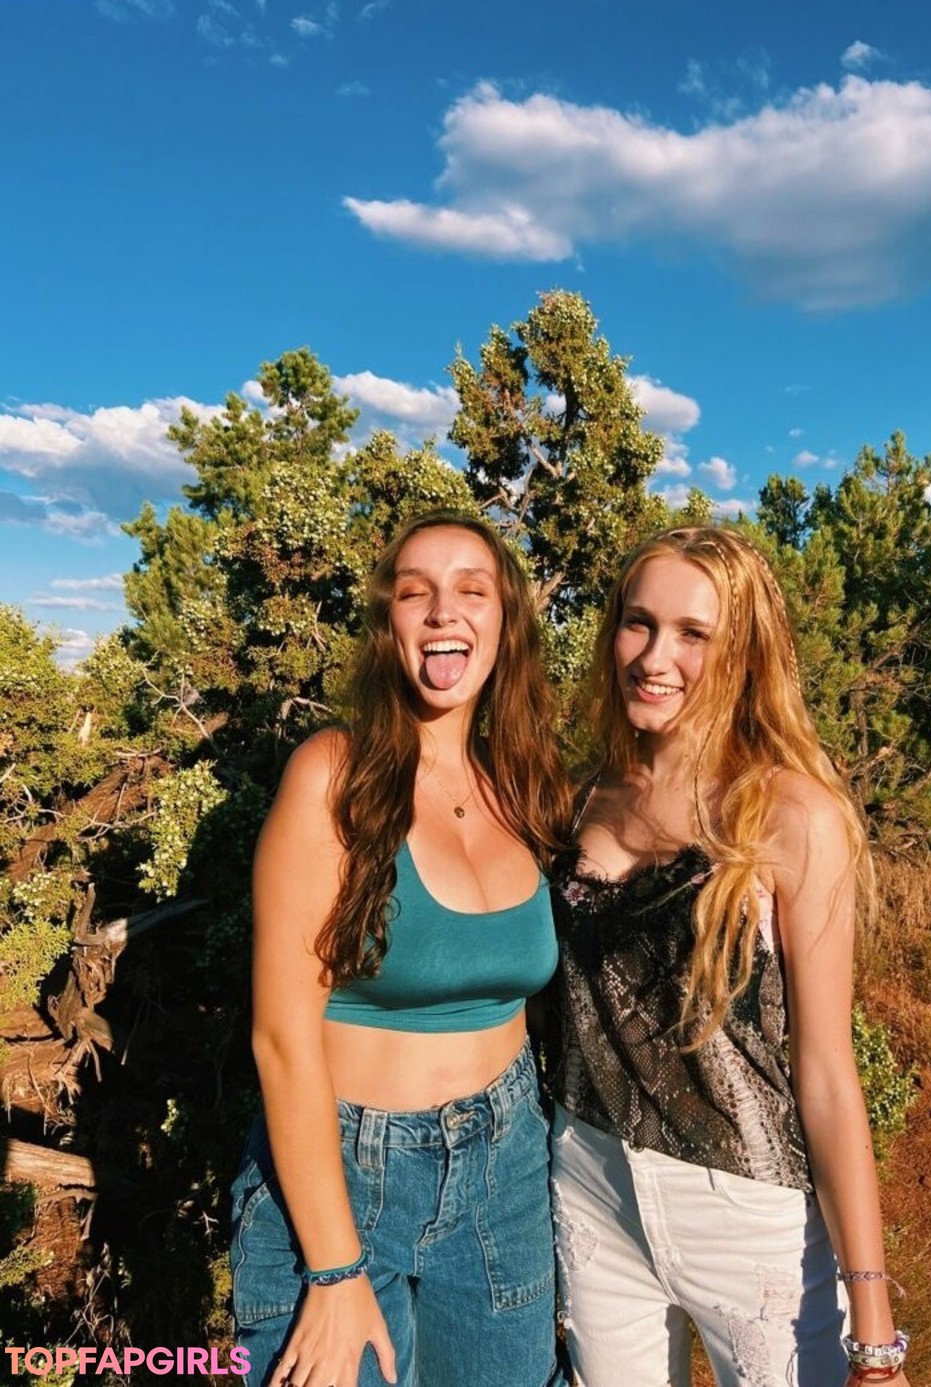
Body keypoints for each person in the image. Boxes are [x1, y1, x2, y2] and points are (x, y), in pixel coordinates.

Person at [546, 526, 911, 1387]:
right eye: (638, 622)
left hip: (749, 1217)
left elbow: (827, 1072)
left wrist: (875, 1337)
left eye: (693, 633)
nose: (653, 657)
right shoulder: (581, 795)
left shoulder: (791, 815)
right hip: (589, 1188)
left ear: (743, 651)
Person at [229, 511, 571, 1387]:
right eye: (415, 593)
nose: (443, 611)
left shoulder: (527, 786)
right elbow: (280, 1036)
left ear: (506, 621)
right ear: (389, 623)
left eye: (472, 590)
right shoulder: (332, 774)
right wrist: (334, 1268)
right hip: (342, 1177)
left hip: (506, 1170)